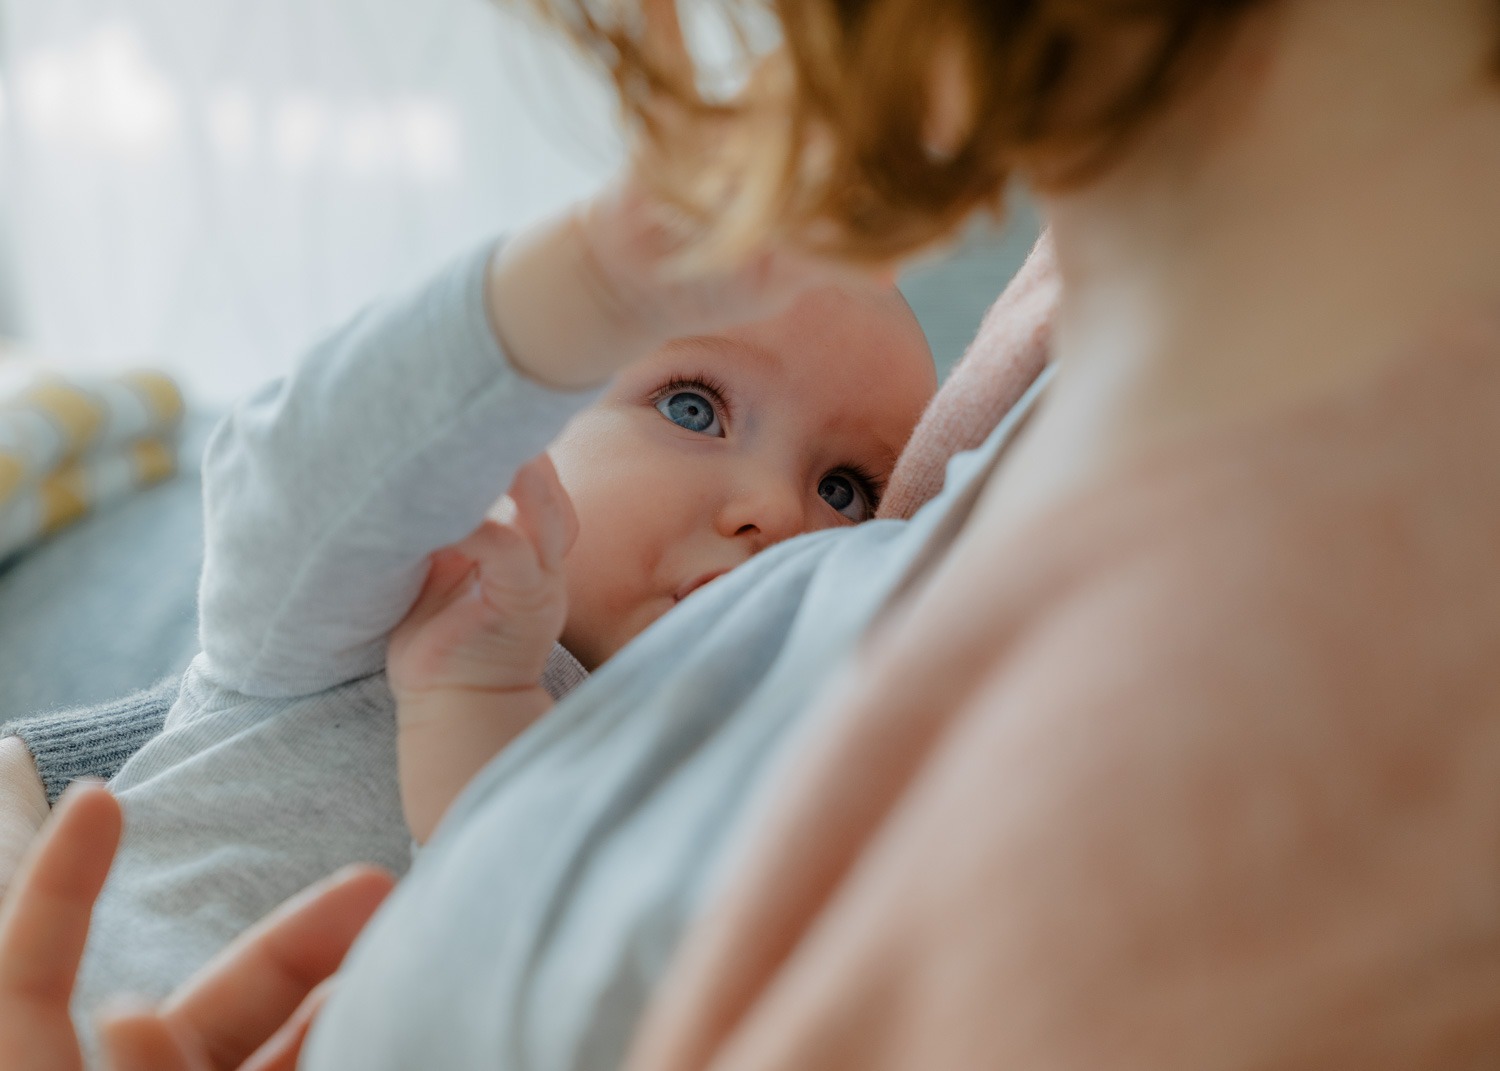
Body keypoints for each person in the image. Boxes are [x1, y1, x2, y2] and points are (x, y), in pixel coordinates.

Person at [7, 0, 1500, 1066]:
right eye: (697, 407)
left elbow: (506, 889)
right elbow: (292, 471)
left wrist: (478, 702)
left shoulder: (643, 733)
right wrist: (582, 288)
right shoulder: (341, 624)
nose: (767, 510)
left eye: (847, 489)